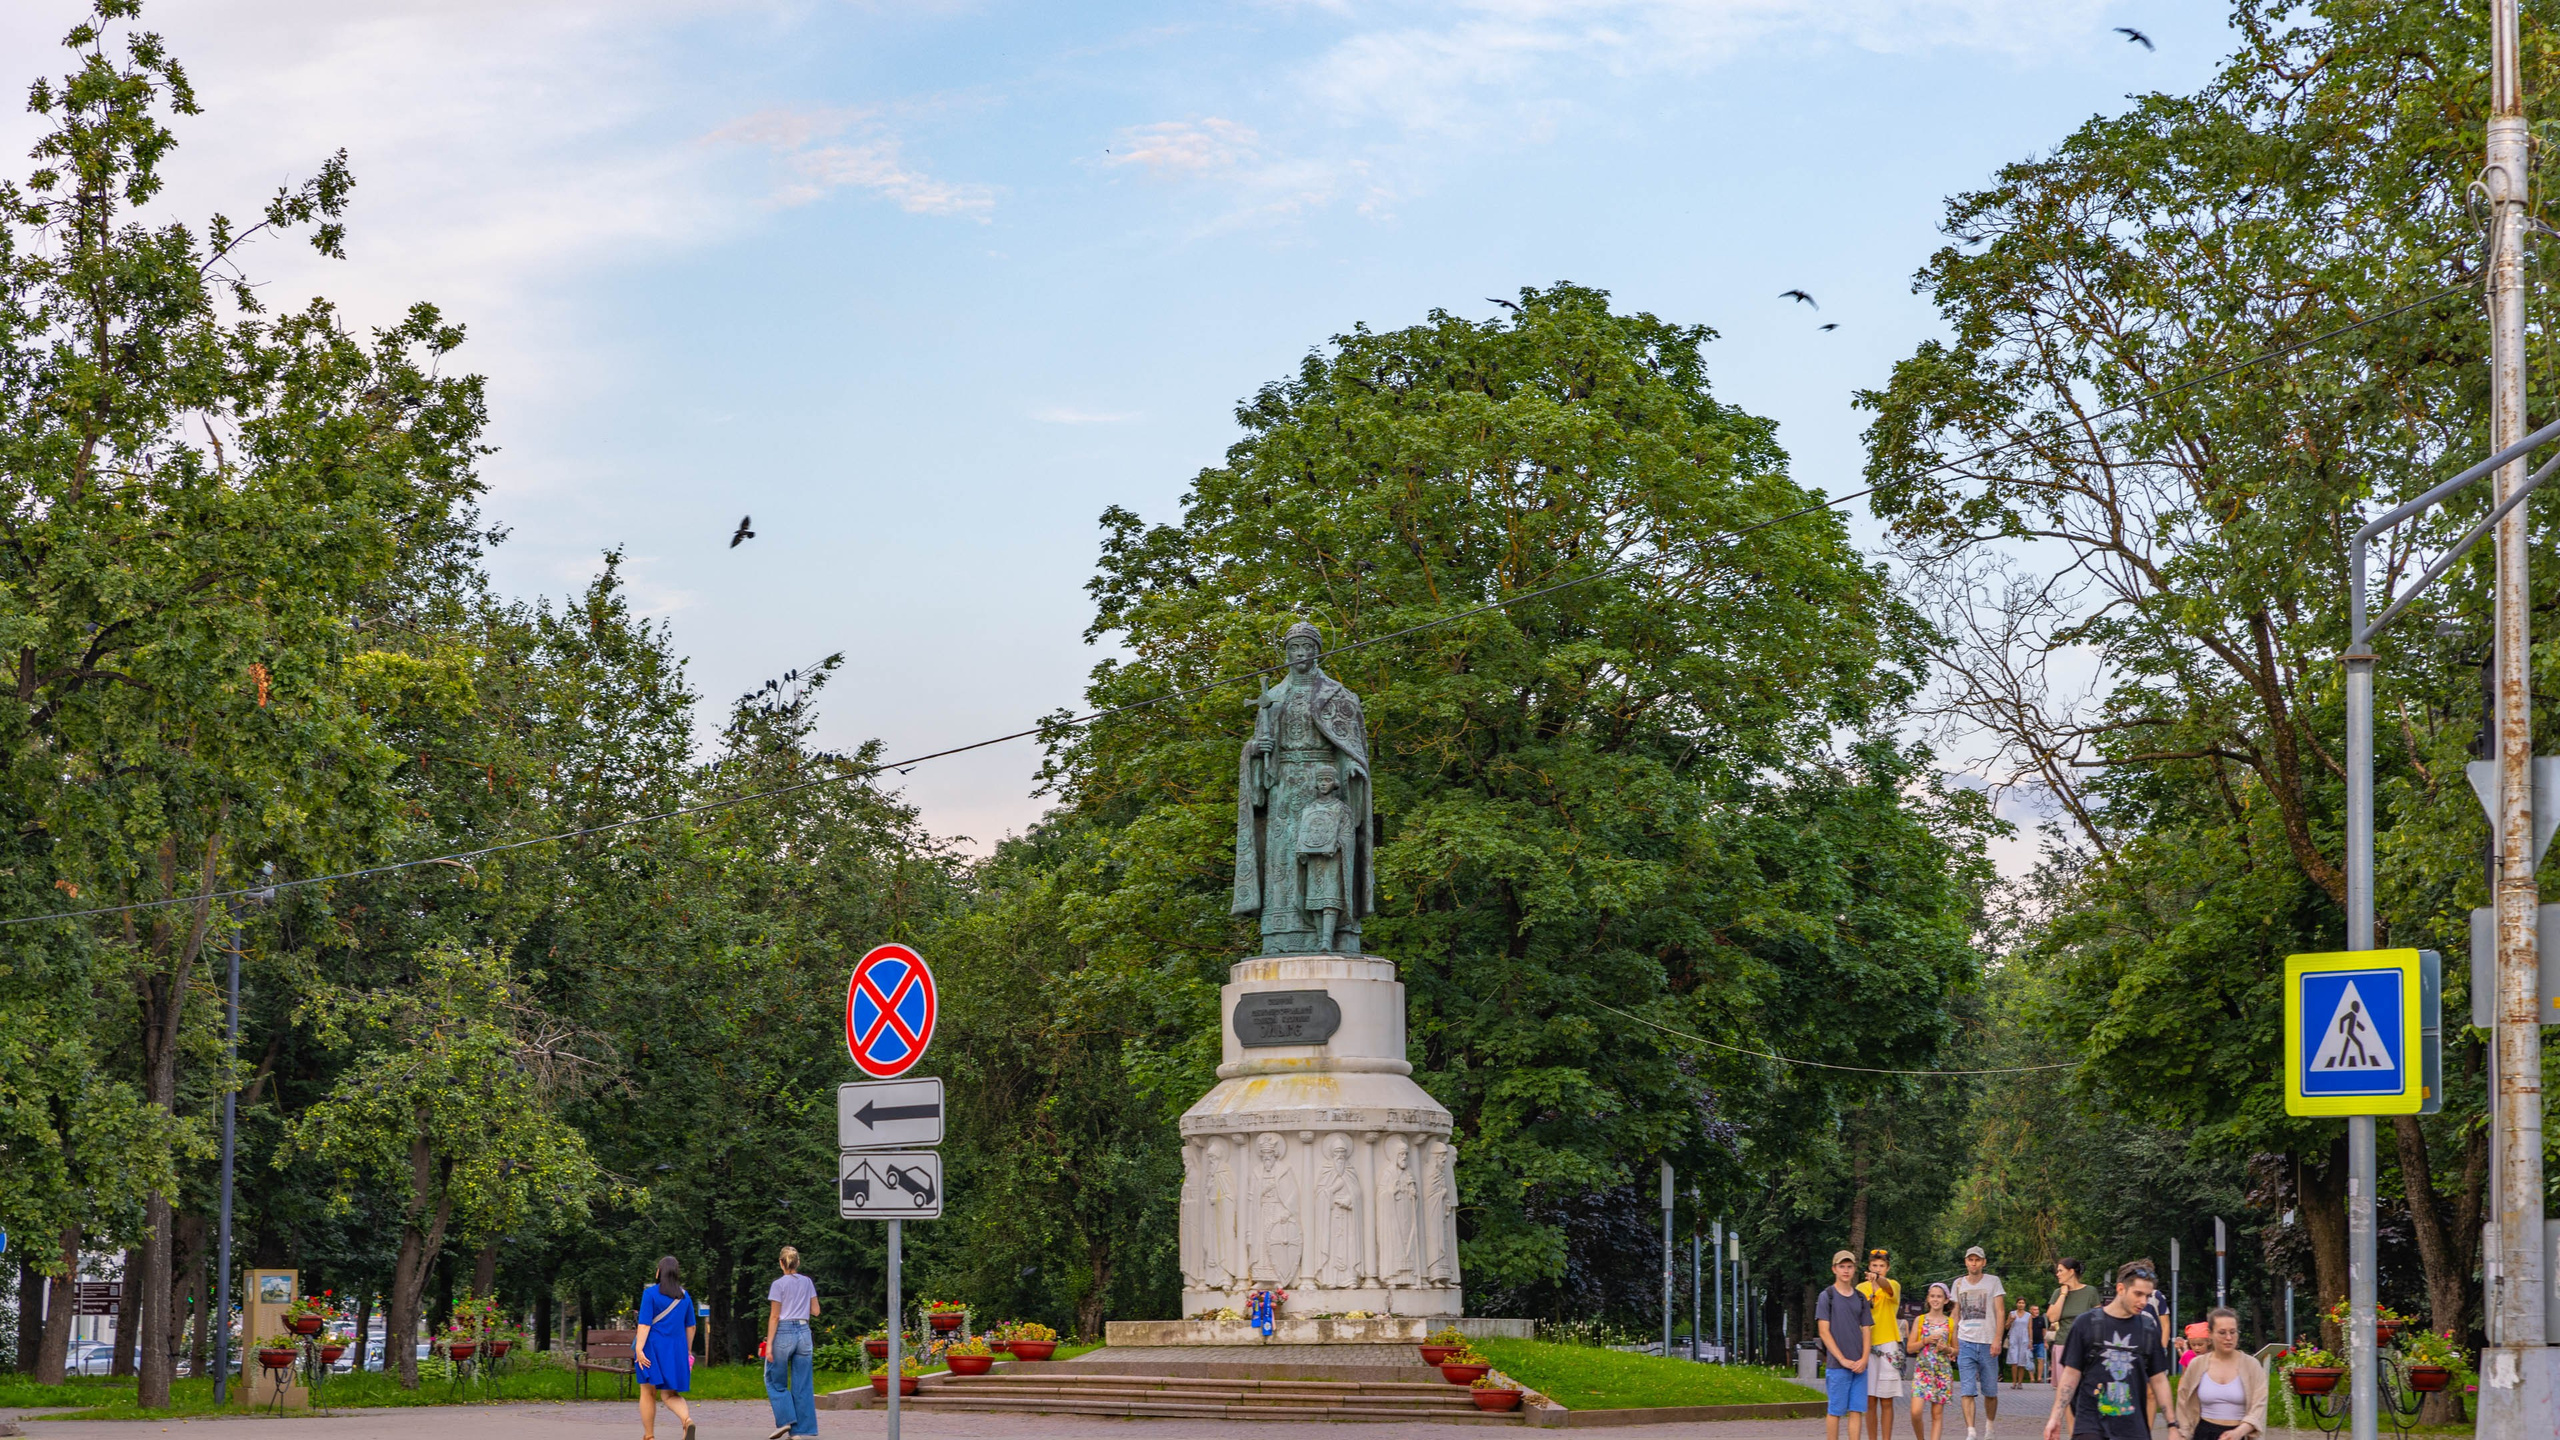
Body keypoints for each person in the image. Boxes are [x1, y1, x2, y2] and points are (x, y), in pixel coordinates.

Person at [2043, 1261, 2177, 1440]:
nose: (2143, 1302)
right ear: (2121, 1289)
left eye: (2147, 1295)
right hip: (2090, 1424)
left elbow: (2159, 1380)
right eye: (2138, 1294)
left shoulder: (2148, 1329)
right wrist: (2055, 1417)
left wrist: (2172, 1425)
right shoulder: (2085, 1323)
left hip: (2132, 1428)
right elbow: (2070, 1375)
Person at [759, 1246, 821, 1440]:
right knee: (802, 1384)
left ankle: (786, 1421)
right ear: (798, 1263)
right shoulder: (807, 1282)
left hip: (783, 1332)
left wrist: (769, 1345)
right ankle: (798, 1432)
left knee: (773, 1379)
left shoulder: (778, 1285)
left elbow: (775, 1316)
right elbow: (816, 1311)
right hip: (804, 1332)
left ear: (781, 1263)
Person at [2173, 1308, 2265, 1440]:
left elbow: (2259, 1405)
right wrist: (2184, 1433)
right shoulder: (2197, 1365)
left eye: (2233, 1332)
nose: (2228, 1338)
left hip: (2239, 1433)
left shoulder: (2252, 1366)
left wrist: (2239, 1432)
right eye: (2222, 1333)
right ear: (2210, 1334)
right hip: (2203, 1433)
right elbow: (2183, 1402)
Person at [634, 1255, 697, 1440]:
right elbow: (691, 1327)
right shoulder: (685, 1297)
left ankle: (649, 1436)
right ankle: (687, 1420)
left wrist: (639, 1349)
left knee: (647, 1391)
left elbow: (644, 1325)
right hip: (676, 1351)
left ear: (658, 1272)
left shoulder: (650, 1294)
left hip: (652, 1349)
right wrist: (687, 1351)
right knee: (670, 1394)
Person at [1818, 1249, 1875, 1440]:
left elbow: (1867, 1329)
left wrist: (1864, 1359)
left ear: (1854, 1269)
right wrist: (1841, 1359)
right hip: (1837, 1364)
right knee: (1836, 1410)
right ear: (1834, 1269)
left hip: (1859, 1364)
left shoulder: (1861, 1298)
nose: (1846, 1270)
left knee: (1856, 1410)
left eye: (1849, 1267)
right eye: (1842, 1266)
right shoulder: (1827, 1296)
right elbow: (1824, 1331)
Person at [1952, 1246, 2007, 1440]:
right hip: (1965, 1341)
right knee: (1967, 1389)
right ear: (1966, 1262)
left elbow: (2000, 1311)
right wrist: (1953, 1343)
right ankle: (1971, 1432)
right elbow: (1955, 1313)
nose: (1973, 1263)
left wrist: (1998, 1339)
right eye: (1970, 1259)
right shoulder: (1958, 1284)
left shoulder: (1993, 1282)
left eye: (1977, 1260)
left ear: (1983, 1262)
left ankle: (1990, 1428)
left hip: (1987, 1342)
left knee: (1990, 1391)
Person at [1862, 1250, 1907, 1440]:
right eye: (1874, 1266)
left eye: (1881, 1266)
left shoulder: (1893, 1285)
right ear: (1868, 1267)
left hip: (1888, 1344)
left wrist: (1878, 1279)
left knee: (1886, 1399)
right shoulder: (1860, 1288)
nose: (1877, 1269)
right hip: (1866, 1344)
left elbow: (1886, 1286)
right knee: (1870, 1400)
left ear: (1887, 1268)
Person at [1909, 1282, 1959, 1440]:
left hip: (1942, 1372)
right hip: (1922, 1371)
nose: (1935, 1299)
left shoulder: (1950, 1323)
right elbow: (1910, 1348)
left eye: (1939, 1296)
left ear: (1945, 1300)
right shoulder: (1920, 1320)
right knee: (1915, 1412)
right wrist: (1926, 1340)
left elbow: (1956, 1349)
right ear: (1928, 1299)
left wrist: (1947, 1349)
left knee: (1937, 1414)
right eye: (1932, 1296)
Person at [2005, 1302, 2034, 1387]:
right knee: (2014, 1361)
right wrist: (2011, 1320)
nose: (2021, 1304)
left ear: (2025, 1304)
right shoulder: (2012, 1314)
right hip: (2014, 1337)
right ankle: (2014, 1382)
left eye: (2023, 1303)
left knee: (2022, 1361)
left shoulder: (2028, 1315)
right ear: (2016, 1304)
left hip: (2024, 1338)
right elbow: (2006, 1327)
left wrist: (2030, 1340)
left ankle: (2020, 1382)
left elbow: (2030, 1328)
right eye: (2019, 1303)